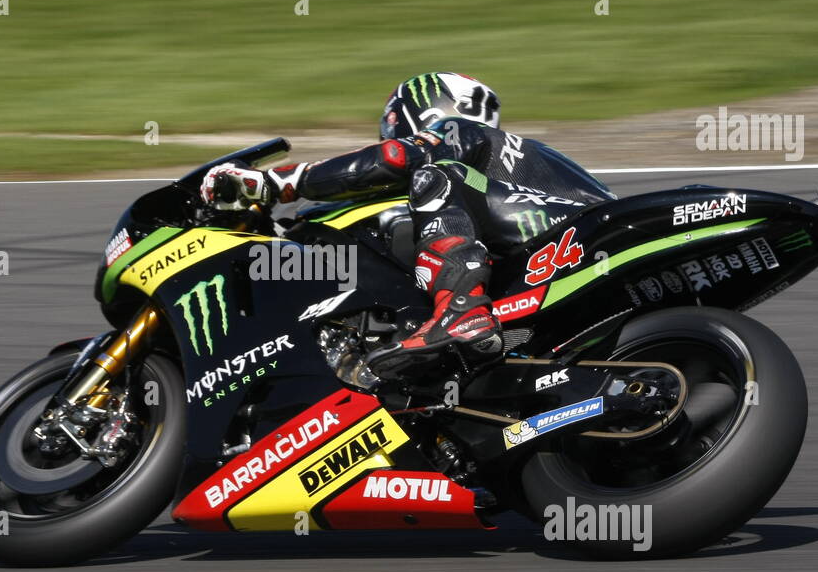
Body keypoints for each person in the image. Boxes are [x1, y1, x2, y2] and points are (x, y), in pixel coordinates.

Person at [200, 72, 614, 378]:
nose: (387, 134)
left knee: (437, 176)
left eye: (392, 125)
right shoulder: (501, 164)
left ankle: (461, 313)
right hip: (561, 256)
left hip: (579, 232)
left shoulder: (458, 133)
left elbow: (396, 159)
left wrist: (278, 183)